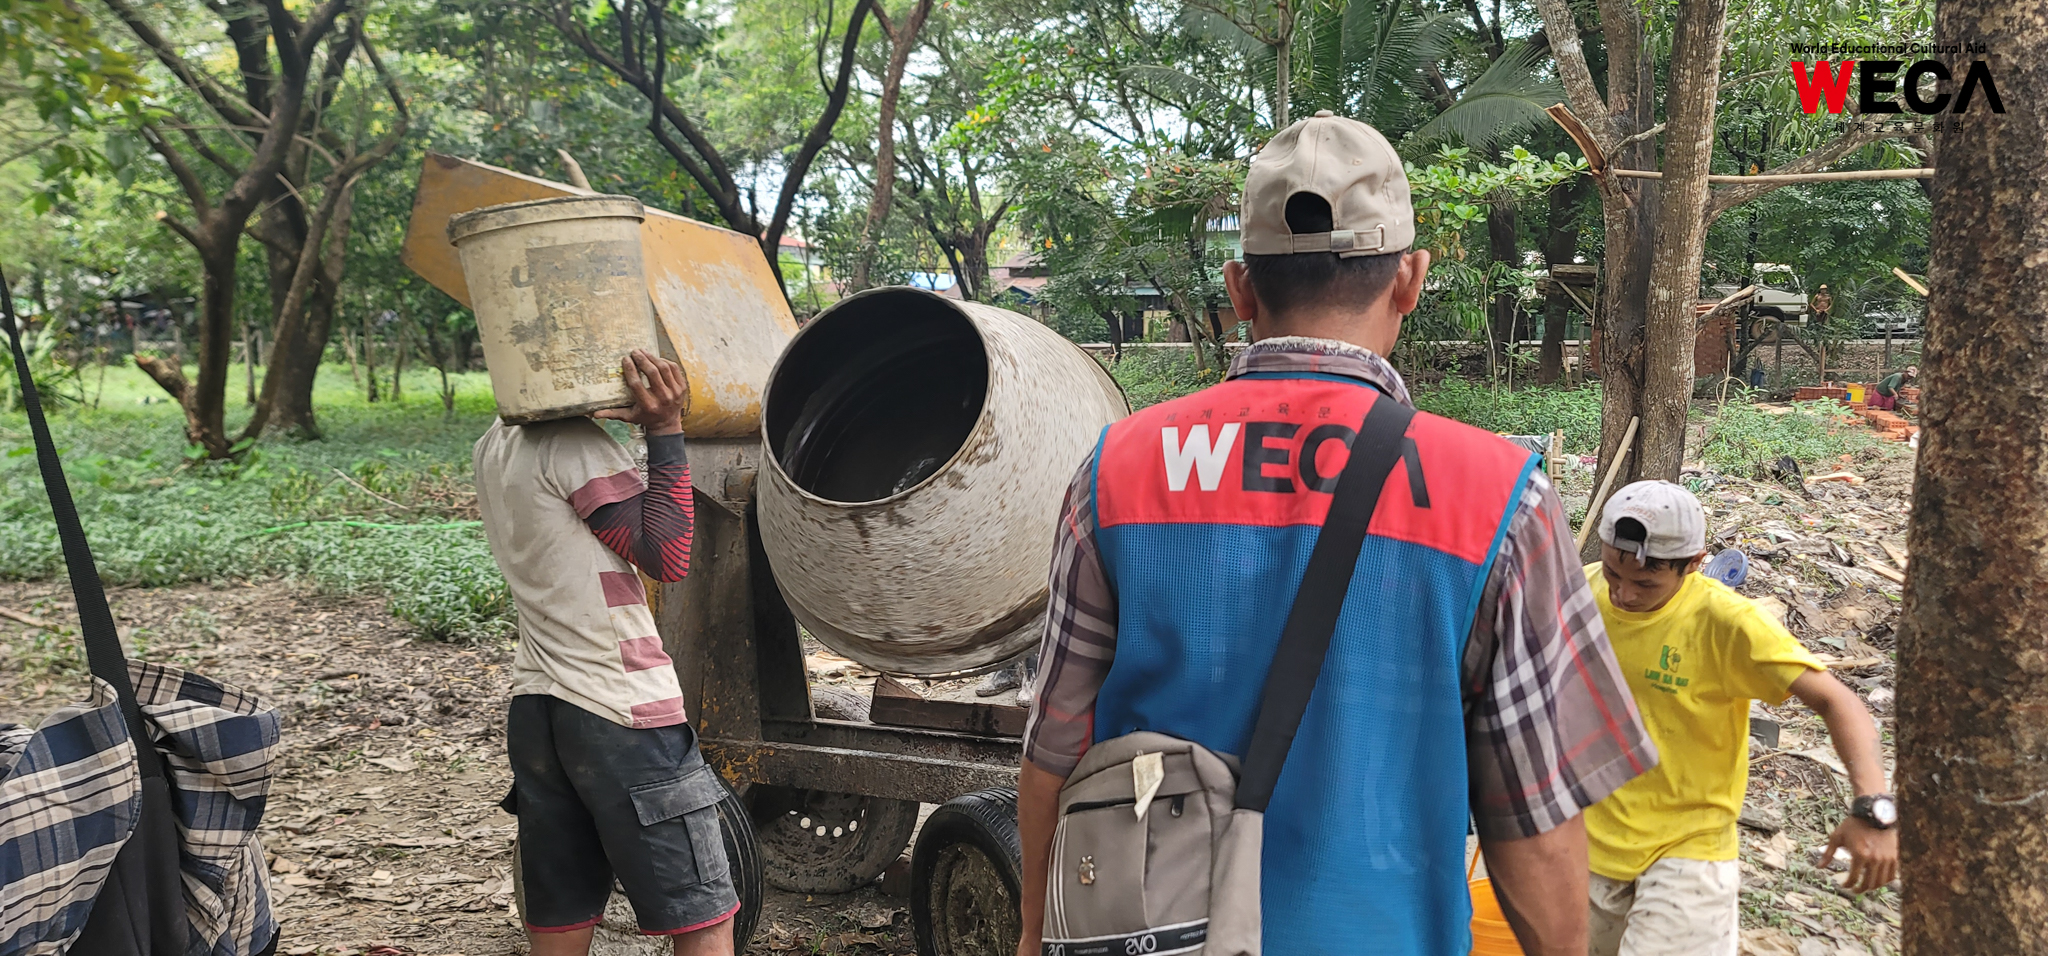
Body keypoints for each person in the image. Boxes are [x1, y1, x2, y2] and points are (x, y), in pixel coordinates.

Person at [1014, 111, 1657, 956]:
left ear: (1240, 288)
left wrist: (1034, 932)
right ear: (1411, 279)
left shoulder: (1117, 470)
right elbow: (1532, 816)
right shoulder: (1498, 498)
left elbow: (1055, 746)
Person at [474, 351, 738, 956]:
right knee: (703, 913)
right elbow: (666, 557)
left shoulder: (494, 441)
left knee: (561, 911)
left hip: (538, 705)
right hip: (617, 705)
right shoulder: (570, 442)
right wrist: (665, 428)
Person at [1583, 481, 1898, 956]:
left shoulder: (1727, 623)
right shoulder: (1581, 592)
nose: (1623, 594)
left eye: (1645, 584)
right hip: (1588, 839)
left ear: (1694, 563)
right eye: (1613, 572)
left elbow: (1839, 702)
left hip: (1688, 847)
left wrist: (1872, 808)